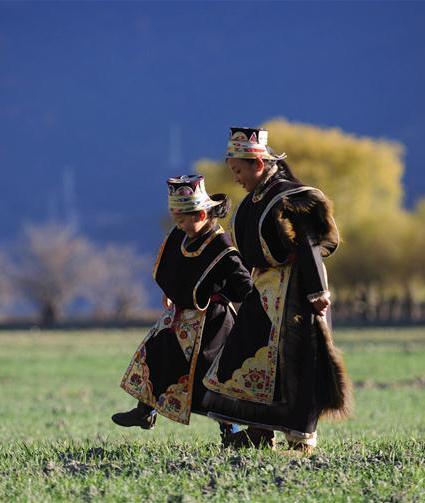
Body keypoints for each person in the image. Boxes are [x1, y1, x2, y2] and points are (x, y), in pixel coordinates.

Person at [201, 127, 352, 456]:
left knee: (298, 363)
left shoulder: (289, 197)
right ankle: (258, 430)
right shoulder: (253, 201)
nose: (236, 178)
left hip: (296, 294)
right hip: (265, 291)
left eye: (238, 171)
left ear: (257, 164)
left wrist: (317, 291)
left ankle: (301, 440)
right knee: (245, 353)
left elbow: (309, 244)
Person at [114, 175, 252, 437]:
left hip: (213, 324)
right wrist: (171, 291)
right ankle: (145, 410)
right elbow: (176, 267)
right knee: (157, 351)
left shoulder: (222, 247)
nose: (178, 226)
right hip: (181, 317)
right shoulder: (183, 234)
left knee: (212, 375)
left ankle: (231, 430)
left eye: (182, 221)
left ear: (200, 215)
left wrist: (221, 296)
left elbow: (244, 286)